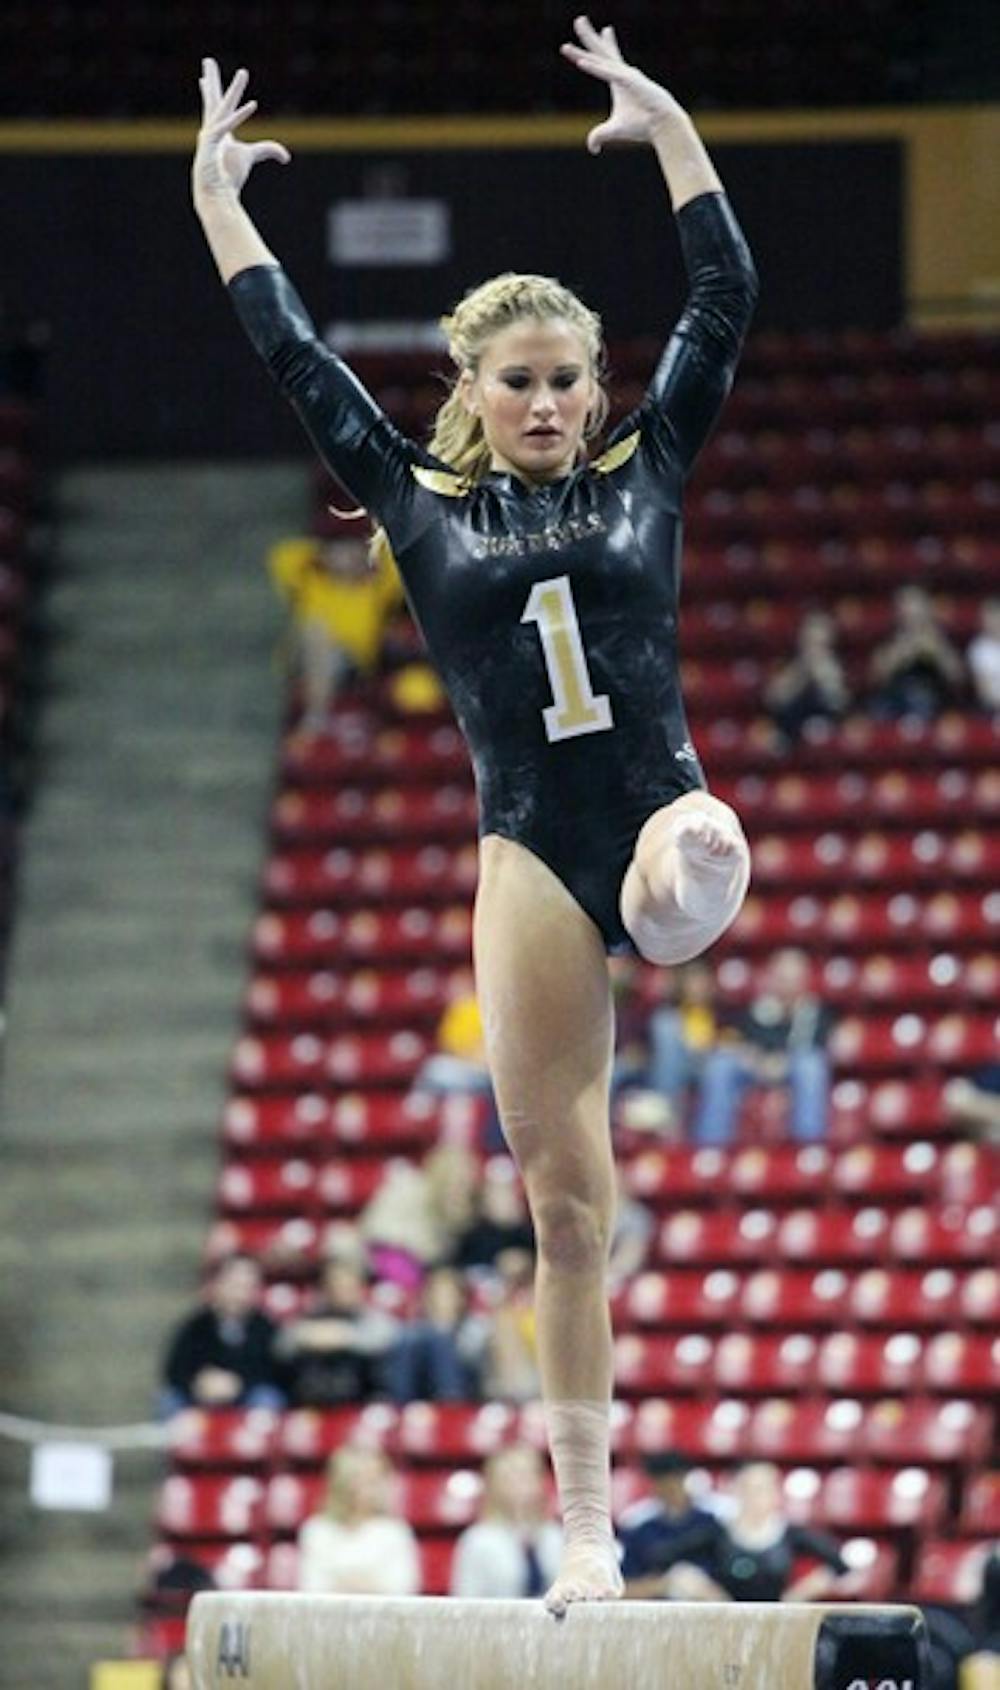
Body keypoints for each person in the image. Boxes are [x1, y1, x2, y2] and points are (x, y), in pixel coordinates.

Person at [192, 17, 757, 1613]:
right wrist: (220, 205)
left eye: (571, 378)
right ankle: (587, 1523)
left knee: (686, 845)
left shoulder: (649, 463)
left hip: (651, 804)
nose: (551, 404)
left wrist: (670, 130)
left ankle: (687, 874)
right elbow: (296, 355)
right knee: (568, 1210)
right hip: (529, 854)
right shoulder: (418, 505)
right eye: (521, 382)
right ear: (476, 387)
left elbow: (724, 302)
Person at [652, 1462, 854, 1603]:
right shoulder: (718, 1533)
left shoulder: (791, 1534)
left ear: (776, 1494)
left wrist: (798, 1595)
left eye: (764, 1489)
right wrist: (702, 1589)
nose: (756, 1496)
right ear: (736, 1491)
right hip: (727, 1617)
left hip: (778, 1618)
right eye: (749, 1488)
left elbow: (841, 1565)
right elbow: (660, 1558)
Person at [692, 947, 835, 1145]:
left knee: (811, 1065)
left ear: (803, 981)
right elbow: (743, 1041)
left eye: (793, 979)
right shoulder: (755, 1009)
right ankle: (712, 1143)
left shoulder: (815, 1012)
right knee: (720, 1064)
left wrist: (781, 1060)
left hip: (792, 1067)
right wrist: (756, 1059)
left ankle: (808, 1142)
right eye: (783, 978)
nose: (788, 985)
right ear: (773, 978)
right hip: (756, 1066)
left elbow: (815, 1045)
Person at [267, 526, 403, 732]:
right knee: (316, 630)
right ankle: (316, 715)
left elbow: (398, 560)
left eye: (355, 551)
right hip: (300, 657)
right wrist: (323, 552)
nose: (349, 557)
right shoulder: (311, 581)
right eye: (341, 551)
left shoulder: (377, 588)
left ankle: (316, 716)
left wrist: (372, 551)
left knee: (319, 635)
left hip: (354, 662)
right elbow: (282, 554)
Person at [158, 1252, 285, 1418]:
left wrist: (238, 1384)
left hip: (247, 1396)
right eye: (234, 1286)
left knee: (268, 1399)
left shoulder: (266, 1328)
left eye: (248, 1287)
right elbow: (175, 1369)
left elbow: (276, 1372)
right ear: (218, 1285)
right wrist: (199, 1383)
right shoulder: (195, 1326)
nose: (240, 1295)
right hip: (201, 1397)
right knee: (170, 1400)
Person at [273, 1254, 399, 1406]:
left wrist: (345, 1336)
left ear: (360, 1288)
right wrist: (307, 1336)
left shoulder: (371, 1318)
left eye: (348, 1286)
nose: (341, 1291)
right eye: (335, 1285)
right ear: (325, 1288)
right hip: (310, 1400)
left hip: (360, 1399)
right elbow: (281, 1346)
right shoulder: (310, 1317)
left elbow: (389, 1338)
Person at [297, 1443, 421, 1595]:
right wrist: (369, 1582)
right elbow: (312, 1587)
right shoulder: (317, 1530)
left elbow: (403, 1588)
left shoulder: (395, 1531)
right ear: (342, 1482)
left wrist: (343, 1581)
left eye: (377, 1480)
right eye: (363, 1480)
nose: (374, 1488)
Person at [450, 1443, 564, 1599]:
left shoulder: (560, 1536)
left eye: (527, 1476)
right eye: (510, 1477)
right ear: (493, 1484)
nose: (520, 1485)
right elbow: (465, 1598)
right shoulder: (477, 1541)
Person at [617, 1450, 718, 1598]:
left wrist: (700, 1587)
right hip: (656, 1608)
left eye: (675, 1481)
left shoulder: (711, 1525)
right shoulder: (639, 1530)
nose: (671, 1489)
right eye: (663, 1483)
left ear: (686, 1480)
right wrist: (663, 1584)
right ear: (654, 1485)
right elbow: (623, 1590)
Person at [383, 1263, 491, 1402]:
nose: (442, 1300)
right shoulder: (414, 1330)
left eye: (448, 1294)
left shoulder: (474, 1326)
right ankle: (400, 1407)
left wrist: (446, 1336)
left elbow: (474, 1356)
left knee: (440, 1342)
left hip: (465, 1386)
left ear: (461, 1298)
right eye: (437, 1294)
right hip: (421, 1389)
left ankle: (450, 1406)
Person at [867, 585, 965, 720]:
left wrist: (938, 651)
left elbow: (957, 677)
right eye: (906, 605)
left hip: (935, 699)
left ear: (927, 608)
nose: (912, 611)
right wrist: (902, 651)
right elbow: (876, 677)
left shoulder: (941, 635)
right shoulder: (887, 636)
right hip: (897, 699)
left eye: (916, 605)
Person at [645, 957, 720, 1129]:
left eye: (701, 980)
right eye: (691, 980)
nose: (697, 986)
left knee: (720, 1066)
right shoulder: (671, 1013)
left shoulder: (723, 1012)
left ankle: (666, 1111)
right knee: (665, 1023)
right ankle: (665, 1109)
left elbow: (731, 1042)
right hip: (676, 1064)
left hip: (708, 1065)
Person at [764, 609, 851, 745]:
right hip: (790, 732)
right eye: (810, 641)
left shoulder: (838, 667)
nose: (815, 648)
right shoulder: (787, 664)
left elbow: (840, 706)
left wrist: (827, 678)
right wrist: (801, 673)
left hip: (828, 733)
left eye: (820, 643)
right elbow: (774, 700)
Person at [966, 596, 1000, 713]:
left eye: (995, 615)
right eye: (987, 616)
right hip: (992, 709)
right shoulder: (978, 648)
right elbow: (984, 691)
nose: (992, 621)